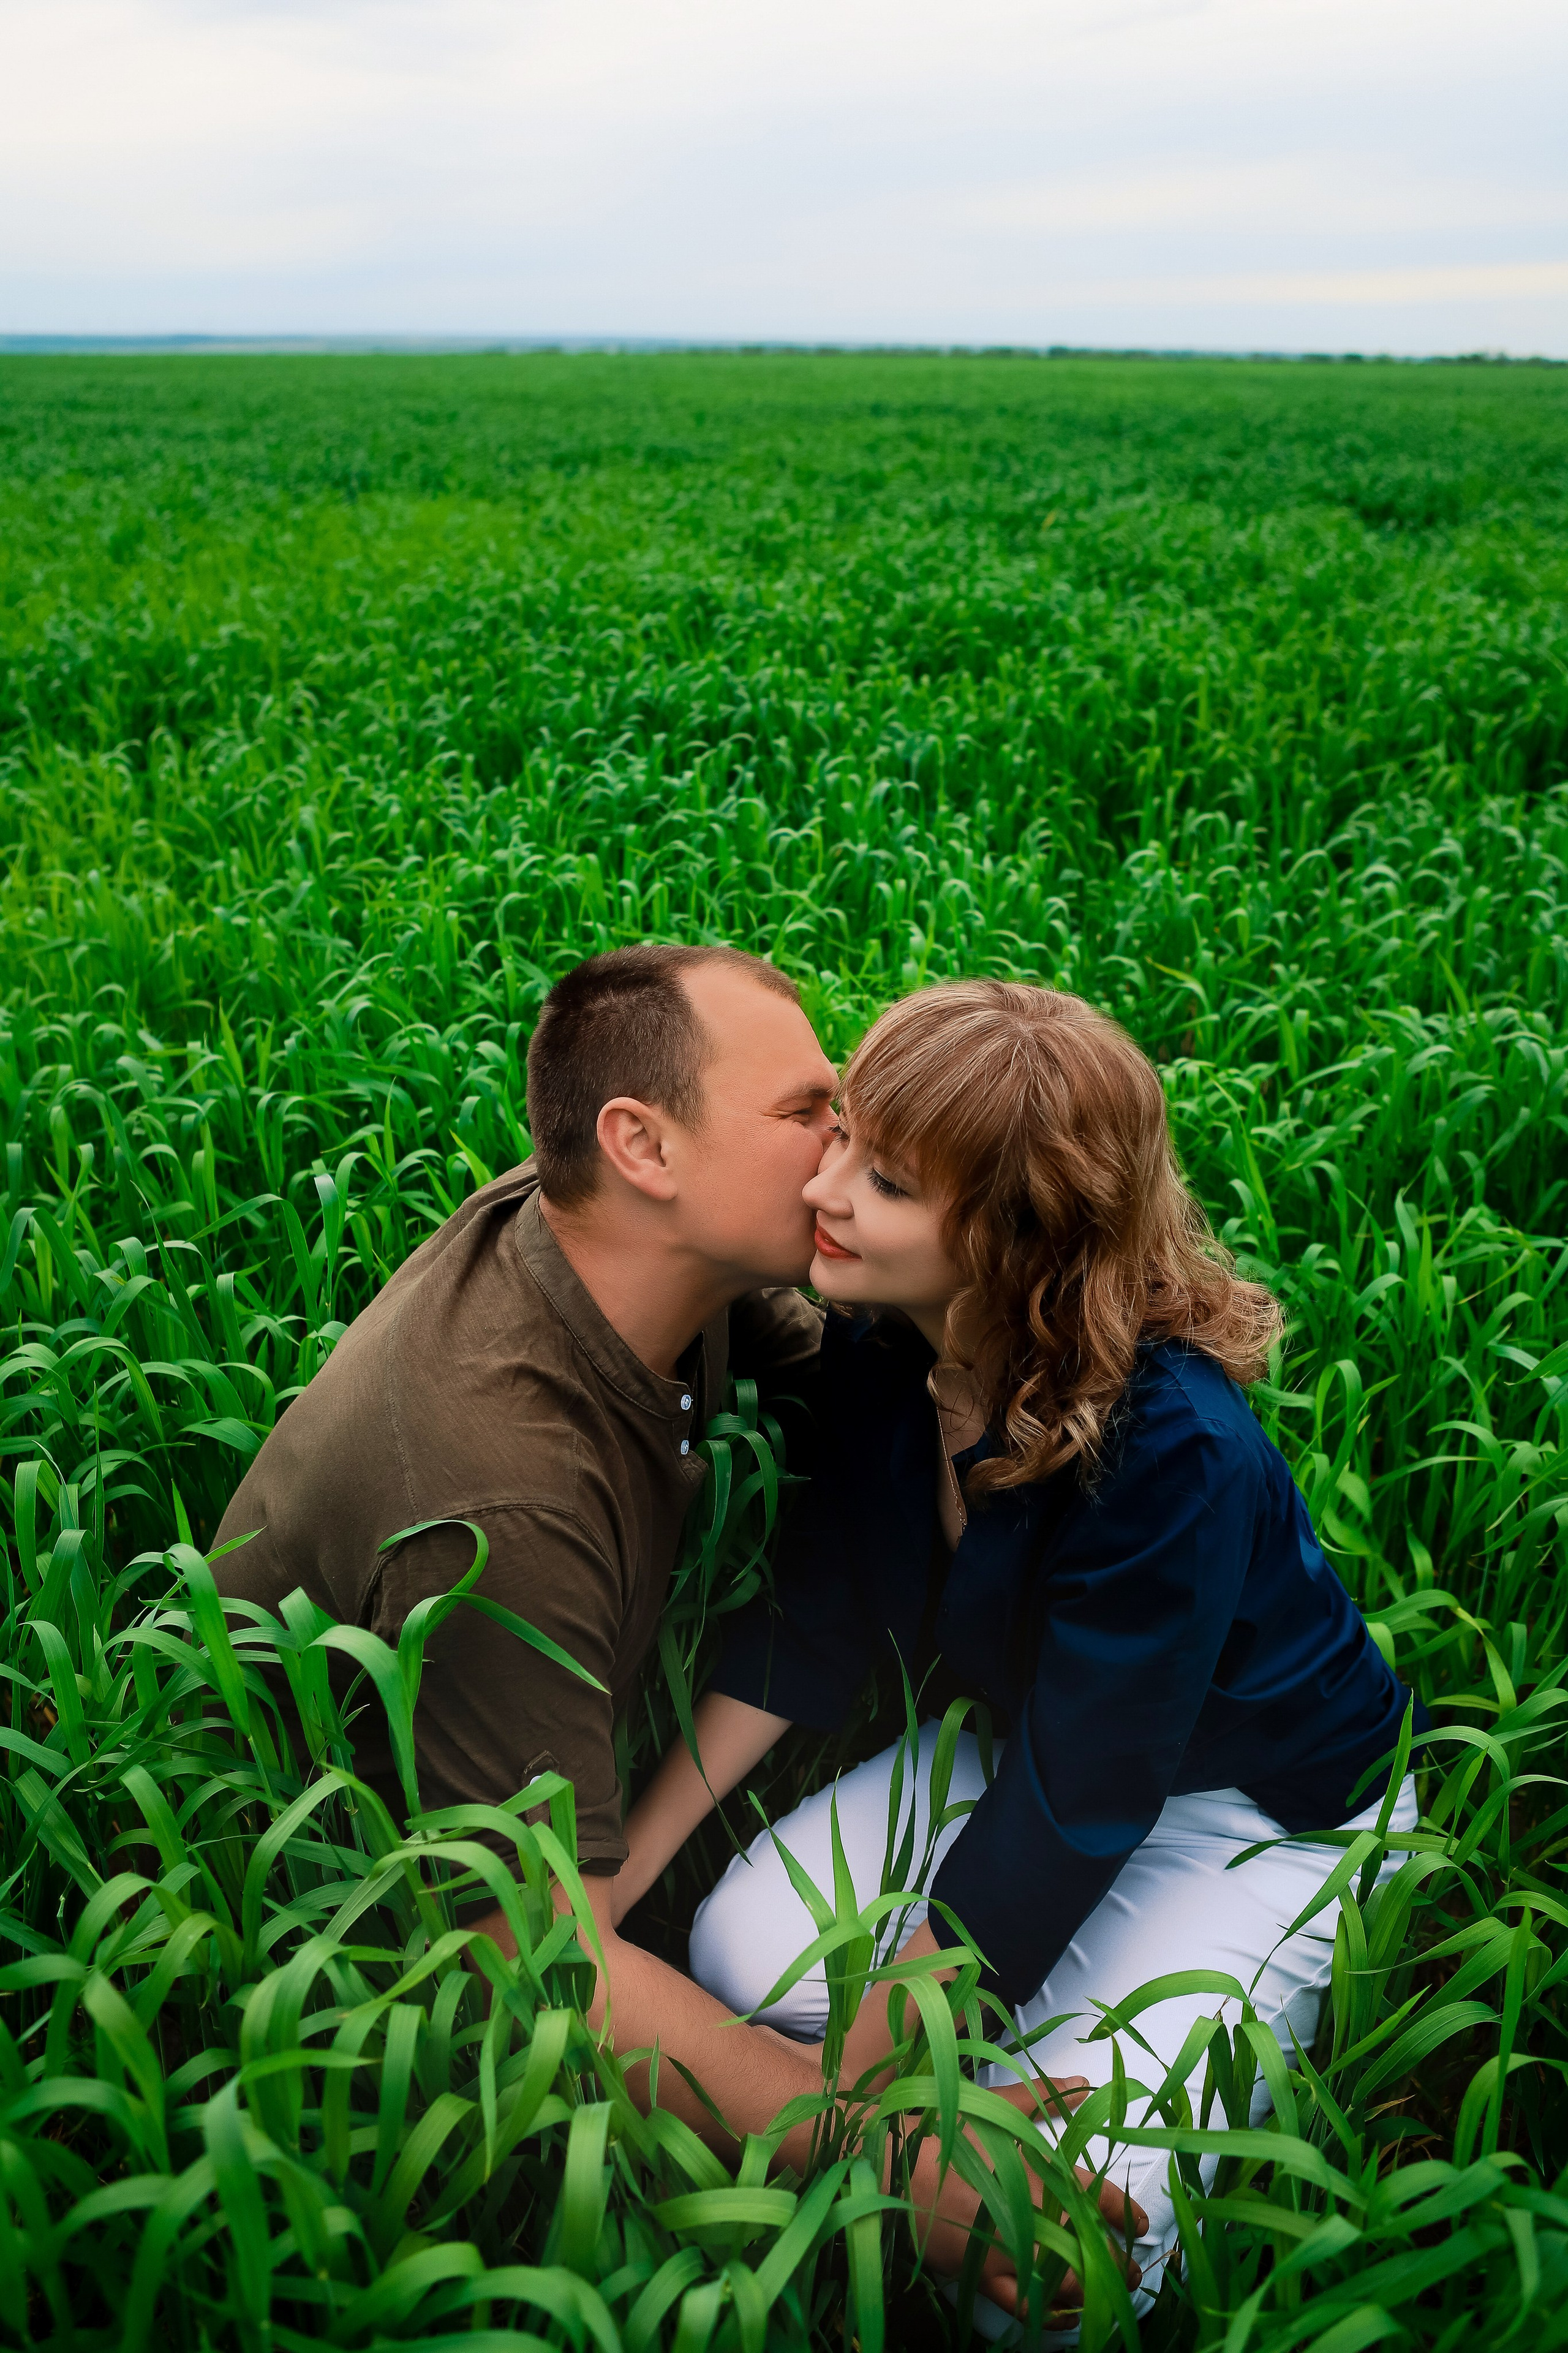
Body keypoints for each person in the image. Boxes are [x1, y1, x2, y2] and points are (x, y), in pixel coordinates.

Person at [213, 944, 1140, 2308]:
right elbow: (536, 1961)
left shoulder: (623, 1249)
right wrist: (889, 2151)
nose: (849, 1146)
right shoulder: (498, 1494)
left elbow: (853, 1377)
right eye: (808, 1112)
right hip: (293, 1863)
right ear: (640, 1144)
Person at [616, 978, 1427, 2323]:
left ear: (1010, 1241)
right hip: (1031, 1740)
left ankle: (1063, 2096)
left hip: (1254, 1812)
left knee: (1047, 2252)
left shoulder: (1172, 1449)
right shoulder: (887, 1346)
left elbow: (1074, 1803)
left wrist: (842, 2113)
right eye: (843, 1137)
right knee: (733, 1954)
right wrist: (608, 1876)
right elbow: (810, 1623)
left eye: (881, 1178)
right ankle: (986, 2082)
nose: (821, 1187)